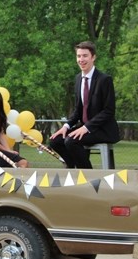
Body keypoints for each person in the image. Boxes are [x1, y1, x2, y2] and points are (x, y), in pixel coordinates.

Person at [49, 40, 120, 169]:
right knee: (55, 141)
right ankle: (73, 167)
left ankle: (88, 175)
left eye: (85, 56)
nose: (81, 59)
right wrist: (67, 125)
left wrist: (86, 127)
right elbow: (78, 110)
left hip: (103, 129)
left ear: (93, 57)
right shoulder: (78, 79)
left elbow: (108, 111)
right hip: (85, 128)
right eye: (78, 56)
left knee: (71, 141)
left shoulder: (105, 80)